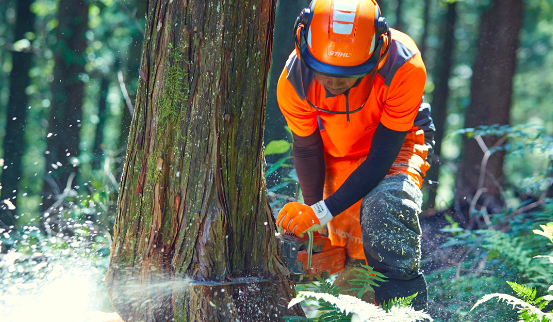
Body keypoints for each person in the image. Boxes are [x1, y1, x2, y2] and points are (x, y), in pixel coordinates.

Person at [275, 0, 435, 310]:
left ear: (376, 54)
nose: (333, 82)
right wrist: (315, 215)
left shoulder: (403, 66)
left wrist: (324, 210)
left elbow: (381, 157)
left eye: (347, 74)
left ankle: (404, 311)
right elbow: (307, 148)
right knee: (350, 265)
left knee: (385, 206)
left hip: (397, 145)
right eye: (324, 72)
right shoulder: (293, 81)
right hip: (336, 152)